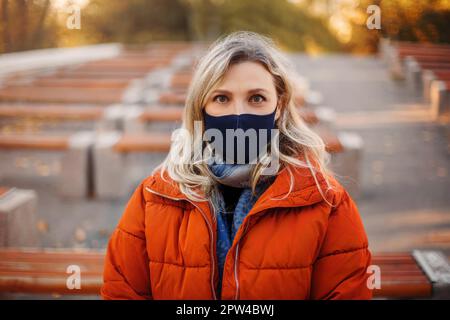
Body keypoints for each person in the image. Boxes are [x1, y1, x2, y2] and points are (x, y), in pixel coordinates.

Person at [101, 31, 372, 300]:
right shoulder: (155, 197)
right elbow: (122, 291)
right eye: (222, 98)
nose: (239, 115)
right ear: (202, 109)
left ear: (279, 106)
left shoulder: (325, 201)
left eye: (256, 98)